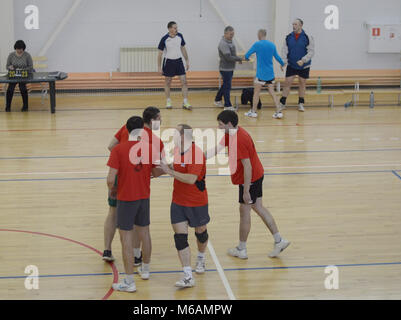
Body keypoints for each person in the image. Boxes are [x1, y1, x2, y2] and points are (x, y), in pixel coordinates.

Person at [206, 110, 290, 259]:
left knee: (245, 211)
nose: (218, 127)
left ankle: (242, 249)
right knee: (257, 207)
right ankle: (279, 240)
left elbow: (248, 167)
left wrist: (246, 191)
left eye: (220, 124)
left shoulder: (240, 139)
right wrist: (195, 156)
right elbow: (216, 150)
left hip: (250, 178)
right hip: (256, 175)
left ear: (229, 124)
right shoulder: (230, 133)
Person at [104, 107, 163, 266]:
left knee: (112, 213)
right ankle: (137, 257)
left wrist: (120, 159)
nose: (161, 122)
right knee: (139, 225)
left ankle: (107, 250)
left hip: (118, 176)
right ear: (152, 121)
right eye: (159, 119)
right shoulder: (156, 141)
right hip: (139, 183)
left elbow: (111, 146)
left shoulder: (127, 127)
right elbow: (159, 168)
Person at [158, 124, 209, 288]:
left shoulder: (196, 153)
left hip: (197, 201)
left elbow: (191, 179)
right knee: (180, 238)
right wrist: (155, 172)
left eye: (175, 132)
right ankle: (187, 275)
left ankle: (201, 257)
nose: (172, 135)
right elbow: (175, 166)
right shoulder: (178, 150)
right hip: (178, 202)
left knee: (201, 233)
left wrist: (169, 172)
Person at [244, 29, 285, 119]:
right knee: (272, 93)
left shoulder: (257, 44)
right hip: (270, 74)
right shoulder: (272, 45)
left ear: (259, 34)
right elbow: (277, 57)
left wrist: (247, 58)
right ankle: (279, 112)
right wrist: (282, 64)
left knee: (256, 93)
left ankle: (253, 112)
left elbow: (247, 55)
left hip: (261, 75)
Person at [279, 18, 315, 113]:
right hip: (292, 64)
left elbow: (311, 51)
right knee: (287, 82)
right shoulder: (288, 37)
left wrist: (303, 60)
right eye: (293, 24)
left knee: (302, 83)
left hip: (304, 66)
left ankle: (301, 104)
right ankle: (282, 103)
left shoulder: (308, 37)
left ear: (300, 25)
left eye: (295, 24)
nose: (293, 26)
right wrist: (283, 62)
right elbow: (284, 50)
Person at [158, 21, 192, 110]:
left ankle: (185, 102)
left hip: (179, 62)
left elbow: (183, 49)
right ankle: (168, 101)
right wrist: (159, 67)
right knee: (168, 83)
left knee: (184, 82)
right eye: (174, 28)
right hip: (168, 62)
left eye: (177, 27)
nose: (176, 29)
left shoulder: (180, 36)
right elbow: (160, 54)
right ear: (169, 28)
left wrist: (187, 60)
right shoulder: (164, 39)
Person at [214, 26, 243, 110]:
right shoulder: (223, 43)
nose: (232, 36)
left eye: (233, 34)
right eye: (230, 34)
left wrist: (238, 59)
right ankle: (227, 105)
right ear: (225, 33)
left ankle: (217, 99)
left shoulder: (230, 41)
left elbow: (233, 54)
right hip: (225, 69)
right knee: (227, 87)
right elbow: (228, 57)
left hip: (230, 68)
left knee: (225, 85)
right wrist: (239, 59)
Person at [5, 40, 33, 112]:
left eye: (20, 49)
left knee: (23, 88)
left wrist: (23, 69)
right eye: (17, 49)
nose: (19, 51)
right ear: (15, 48)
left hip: (23, 75)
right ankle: (8, 107)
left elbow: (30, 67)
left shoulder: (27, 55)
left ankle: (25, 106)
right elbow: (7, 66)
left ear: (23, 49)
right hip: (13, 75)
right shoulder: (11, 55)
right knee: (10, 89)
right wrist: (10, 67)